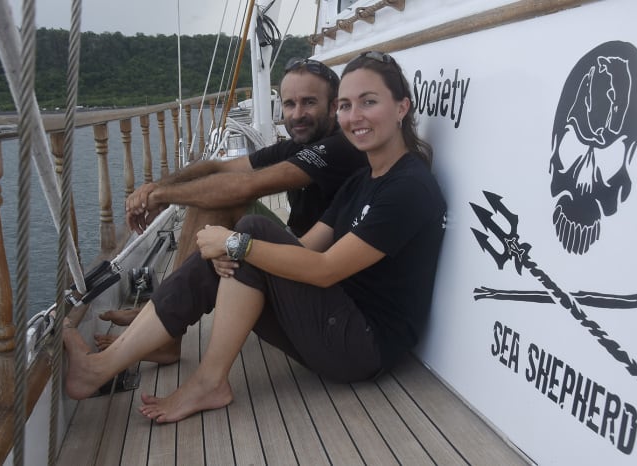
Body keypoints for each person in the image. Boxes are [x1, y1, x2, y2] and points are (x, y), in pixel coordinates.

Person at [63, 51, 446, 424]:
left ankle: (205, 380)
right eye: (346, 105)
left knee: (248, 233)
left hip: (362, 345)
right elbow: (305, 248)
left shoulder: (408, 187)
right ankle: (106, 366)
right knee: (245, 244)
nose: (353, 116)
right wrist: (237, 253)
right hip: (333, 323)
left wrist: (235, 244)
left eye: (368, 102)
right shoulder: (362, 180)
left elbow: (326, 269)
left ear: (401, 108)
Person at [94, 58, 367, 362]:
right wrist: (155, 188)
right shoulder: (296, 146)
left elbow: (245, 187)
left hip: (318, 277)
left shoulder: (338, 149)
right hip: (299, 249)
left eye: (309, 102)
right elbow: (218, 167)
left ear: (333, 107)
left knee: (222, 199)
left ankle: (165, 329)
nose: (297, 114)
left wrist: (165, 196)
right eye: (289, 104)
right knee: (214, 197)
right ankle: (163, 316)